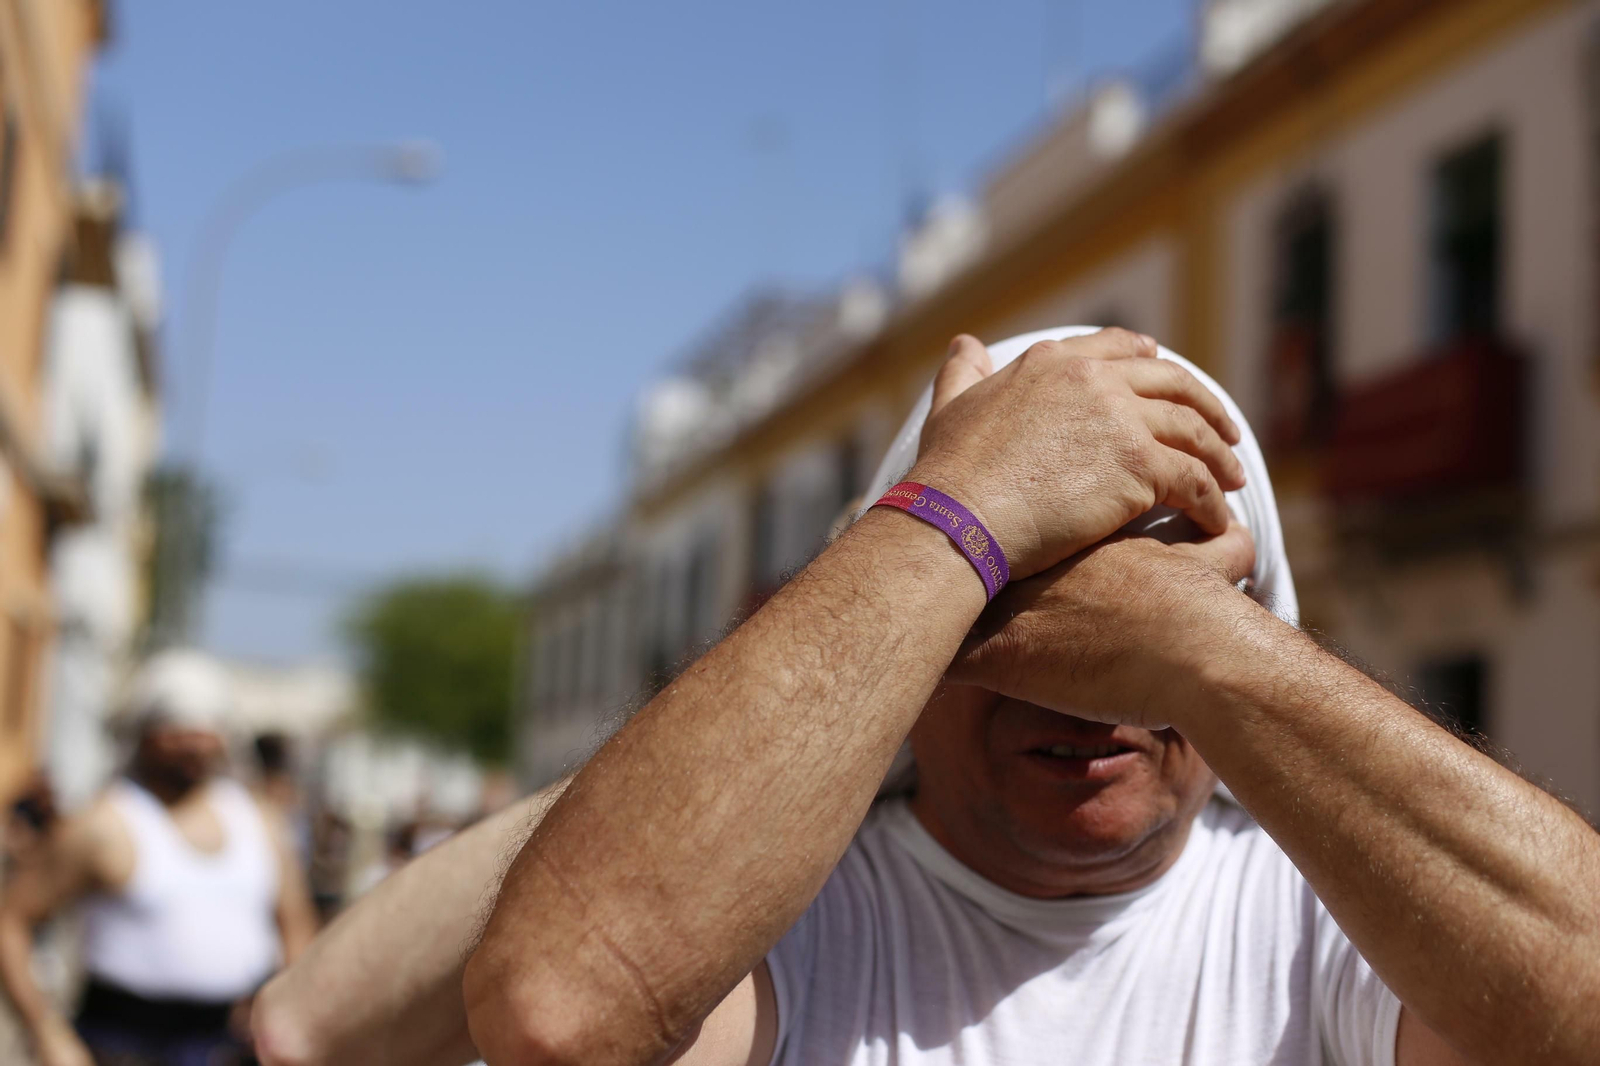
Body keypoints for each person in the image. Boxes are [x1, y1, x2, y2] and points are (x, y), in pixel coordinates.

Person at [252, 329, 1600, 1066]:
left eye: (1160, 585)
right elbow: (545, 1010)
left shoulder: (1325, 921)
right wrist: (932, 538)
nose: (1098, 667)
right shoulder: (801, 917)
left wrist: (1205, 651)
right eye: (1035, 594)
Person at [0, 649, 318, 1066]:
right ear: (144, 732)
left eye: (204, 729)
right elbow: (12, 921)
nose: (192, 743)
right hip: (121, 1043)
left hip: (229, 1044)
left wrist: (289, 1008)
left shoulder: (259, 824)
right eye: (176, 728)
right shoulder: (106, 824)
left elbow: (295, 924)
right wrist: (44, 1030)